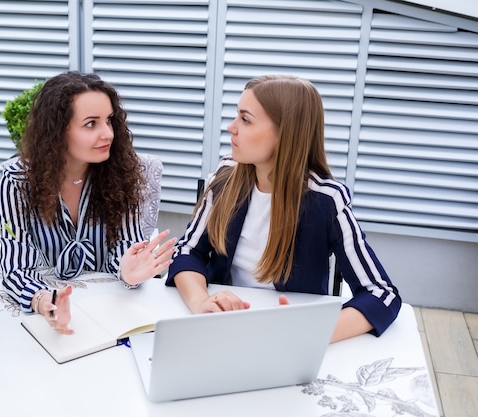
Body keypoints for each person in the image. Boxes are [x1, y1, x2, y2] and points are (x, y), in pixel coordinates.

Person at [165, 75, 401, 343]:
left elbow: (382, 293)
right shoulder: (225, 177)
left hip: (287, 341)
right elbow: (187, 251)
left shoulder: (326, 200)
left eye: (245, 119)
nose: (231, 127)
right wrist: (201, 302)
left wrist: (308, 333)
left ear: (284, 134)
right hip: (224, 330)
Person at [0, 71, 176, 334]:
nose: (107, 134)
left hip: (111, 307)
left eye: (109, 120)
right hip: (47, 309)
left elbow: (126, 246)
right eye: (91, 124)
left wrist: (127, 271)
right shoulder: (17, 181)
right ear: (57, 131)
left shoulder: (122, 171)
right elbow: (15, 267)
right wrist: (46, 301)